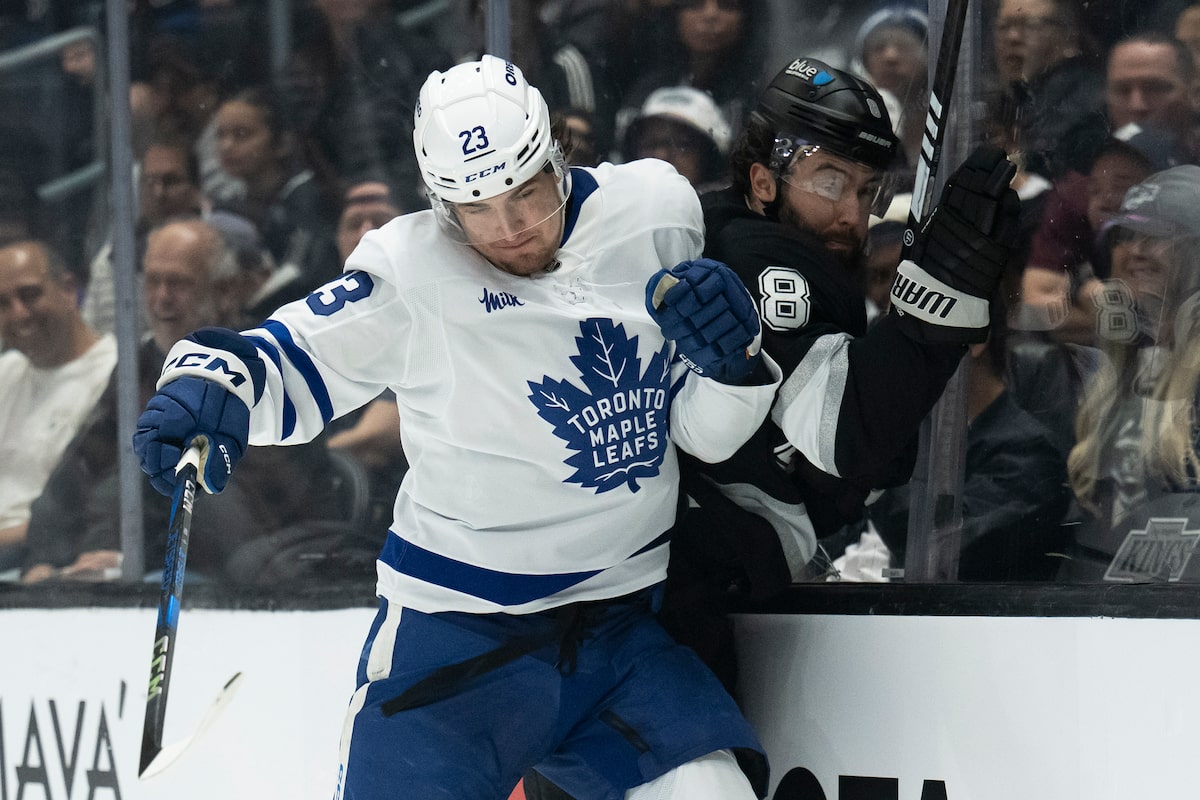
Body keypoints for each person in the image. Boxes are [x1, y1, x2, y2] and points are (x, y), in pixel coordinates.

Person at [131, 56, 783, 798]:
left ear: (556, 156)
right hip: (455, 643)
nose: (509, 229)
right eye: (477, 208)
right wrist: (211, 383)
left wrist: (734, 362)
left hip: (619, 631)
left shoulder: (656, 213)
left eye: (525, 192)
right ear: (442, 204)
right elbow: (291, 353)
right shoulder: (413, 272)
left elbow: (703, 436)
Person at [657, 57, 1020, 688]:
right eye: (830, 181)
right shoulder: (758, 256)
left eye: (867, 190)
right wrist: (931, 307)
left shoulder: (726, 236)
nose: (853, 215)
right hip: (677, 609)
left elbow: (859, 472)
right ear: (764, 179)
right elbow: (843, 432)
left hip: (688, 597)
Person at [21, 218, 340, 585]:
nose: (161, 299)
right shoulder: (142, 363)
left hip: (243, 579)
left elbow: (233, 505)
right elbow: (82, 468)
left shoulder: (262, 367)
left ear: (225, 292)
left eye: (179, 283)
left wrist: (128, 556)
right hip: (145, 566)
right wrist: (42, 561)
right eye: (152, 281)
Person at [1063, 165, 1200, 581]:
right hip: (1094, 618)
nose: (1136, 251)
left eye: (1159, 238)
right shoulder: (1106, 380)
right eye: (1127, 237)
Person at [0, 239, 117, 574]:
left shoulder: (115, 378)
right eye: (3, 303)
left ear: (68, 289)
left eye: (29, 295)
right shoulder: (6, 372)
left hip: (39, 558)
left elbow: (81, 513)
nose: (18, 314)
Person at [621, 85, 732, 191]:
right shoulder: (616, 204)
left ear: (708, 157)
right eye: (650, 144)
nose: (661, 155)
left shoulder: (729, 210)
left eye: (681, 144)